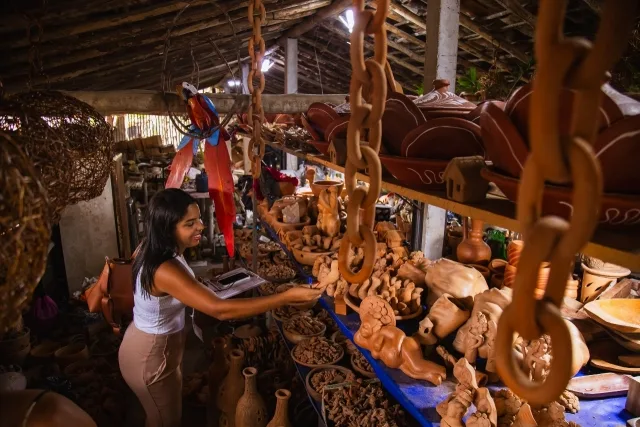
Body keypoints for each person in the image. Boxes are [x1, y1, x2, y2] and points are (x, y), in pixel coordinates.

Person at [118, 188, 322, 427]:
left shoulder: (151, 247)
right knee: (164, 420)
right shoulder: (164, 268)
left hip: (148, 346)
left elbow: (173, 290)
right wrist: (285, 297)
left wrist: (198, 287)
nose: (201, 227)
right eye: (189, 223)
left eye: (199, 219)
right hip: (150, 356)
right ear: (167, 228)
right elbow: (219, 310)